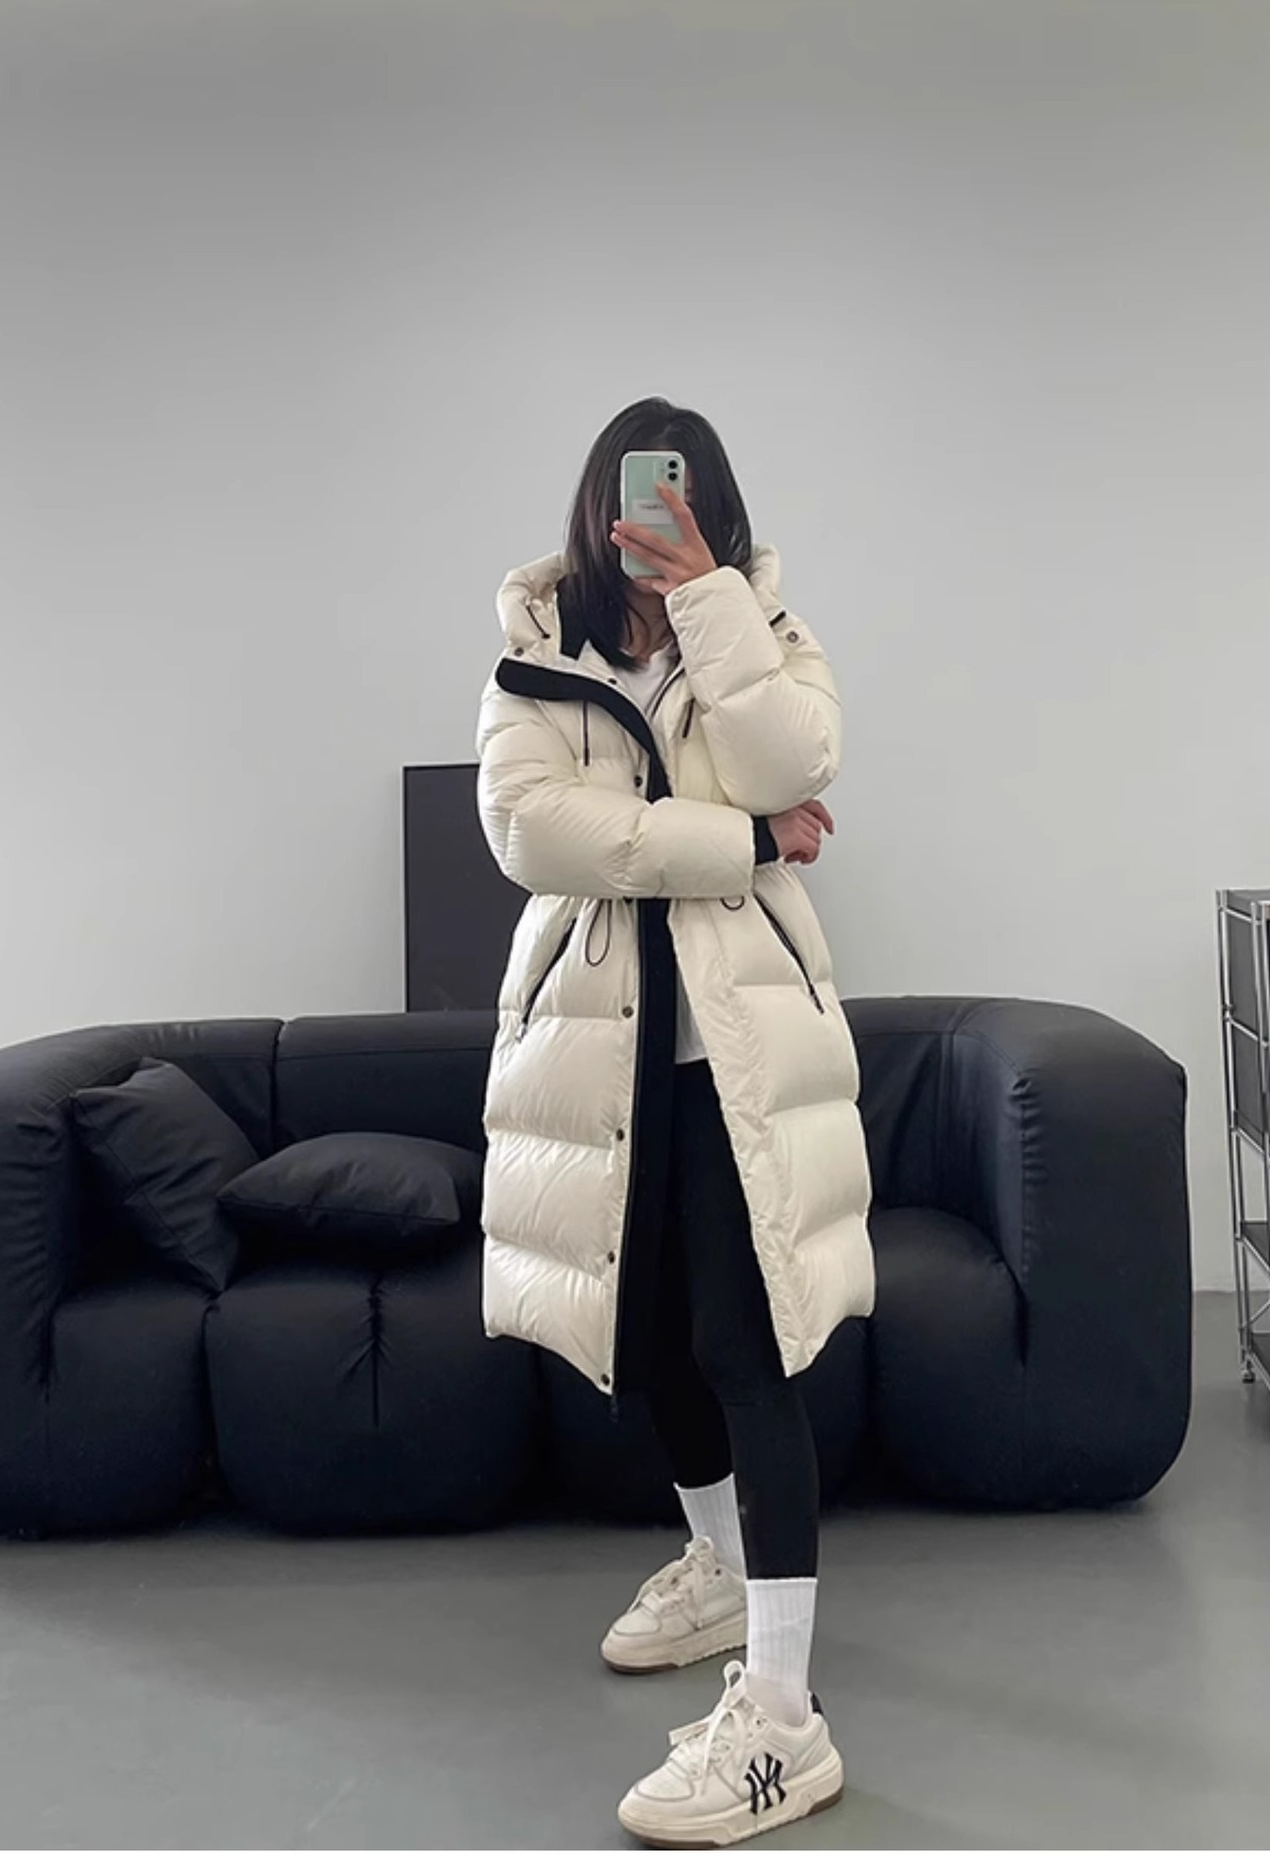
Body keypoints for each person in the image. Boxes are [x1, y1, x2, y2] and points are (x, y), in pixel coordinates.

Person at [474, 397, 876, 1847]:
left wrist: (707, 601)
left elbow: (788, 761)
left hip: (737, 1054)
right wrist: (744, 845)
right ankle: (718, 1569)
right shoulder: (536, 650)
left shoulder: (762, 631)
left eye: (686, 499)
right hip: (600, 1060)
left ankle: (781, 1717)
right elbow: (532, 832)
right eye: (642, 498)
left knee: (745, 1351)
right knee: (640, 1338)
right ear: (598, 507)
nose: (657, 519)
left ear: (714, 510)